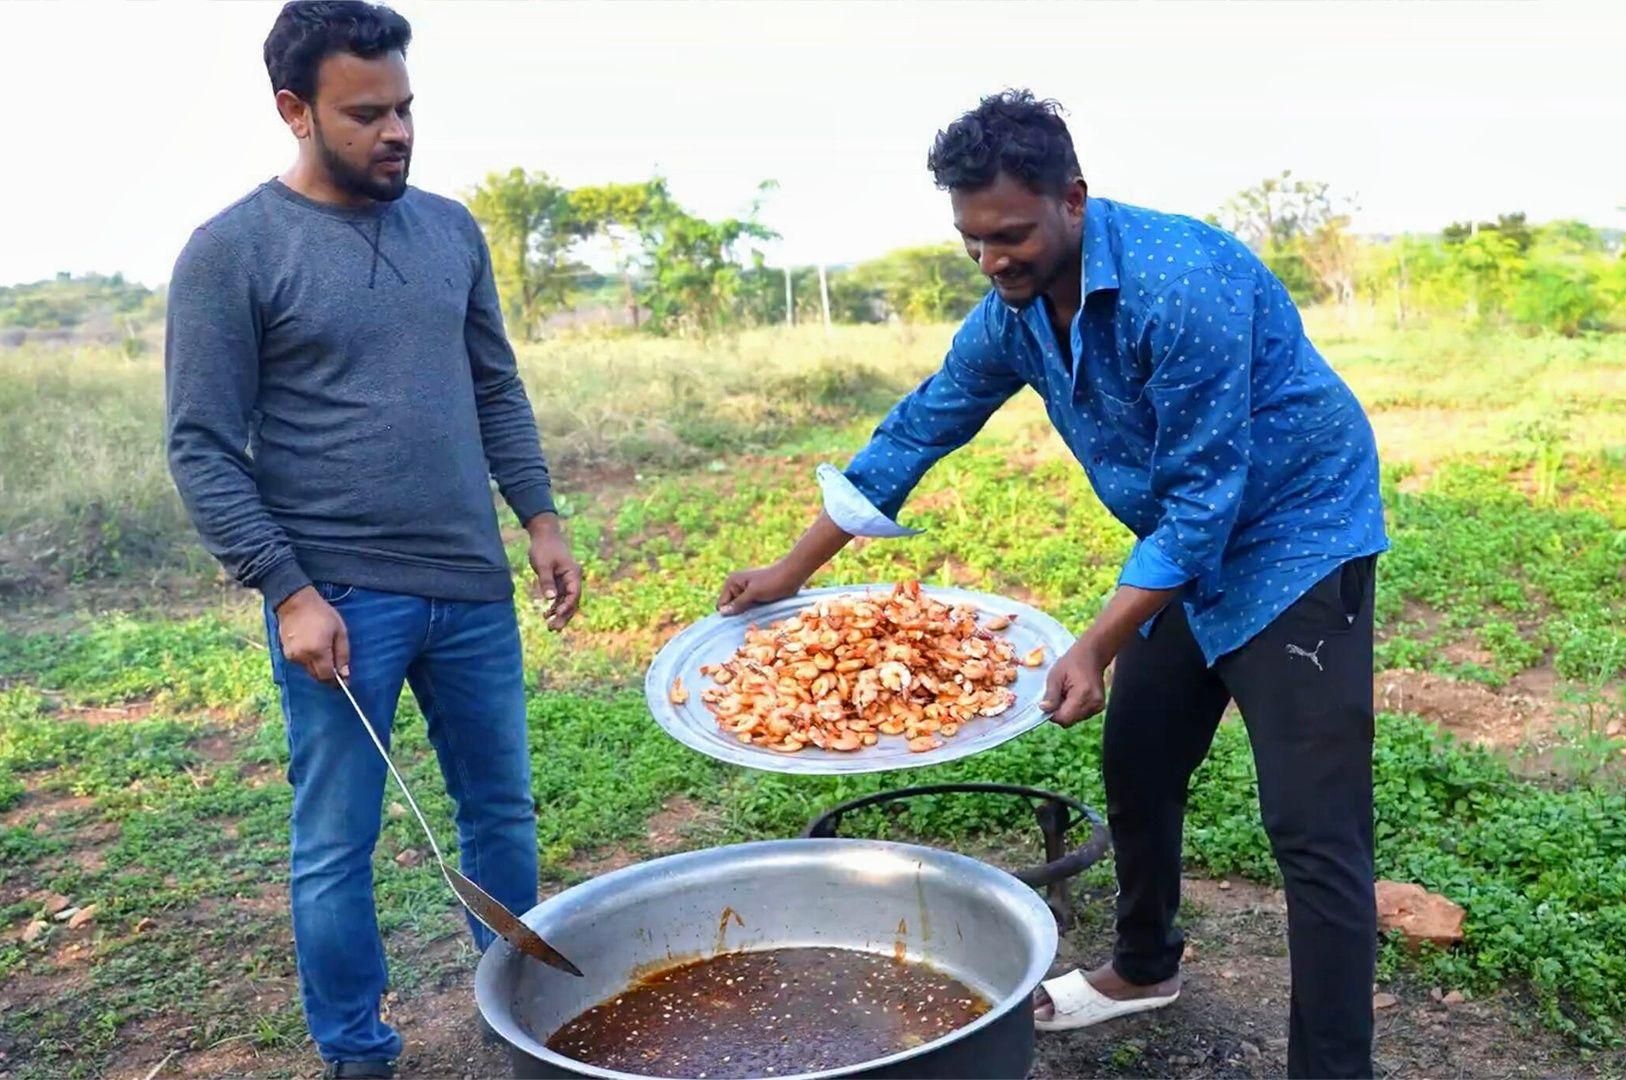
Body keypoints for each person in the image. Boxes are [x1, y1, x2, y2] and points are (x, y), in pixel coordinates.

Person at [716, 90, 1387, 1078]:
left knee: (1311, 826)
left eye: (1012, 235)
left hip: (1295, 540)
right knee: (1140, 759)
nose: (993, 262)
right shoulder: (1013, 317)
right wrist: (786, 571)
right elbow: (916, 430)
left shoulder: (1180, 283)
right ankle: (1145, 967)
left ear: (1073, 198)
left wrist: (1096, 641)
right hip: (1181, 556)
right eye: (972, 241)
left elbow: (1209, 498)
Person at [163, 4, 582, 1077]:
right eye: (366, 114)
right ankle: (357, 1053)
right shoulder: (232, 252)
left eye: (405, 108)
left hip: (472, 590)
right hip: (341, 602)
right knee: (335, 846)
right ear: (294, 110)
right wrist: (287, 589)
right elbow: (203, 445)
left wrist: (537, 516)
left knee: (500, 815)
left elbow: (494, 383)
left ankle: (519, 1031)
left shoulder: (451, 229)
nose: (396, 131)